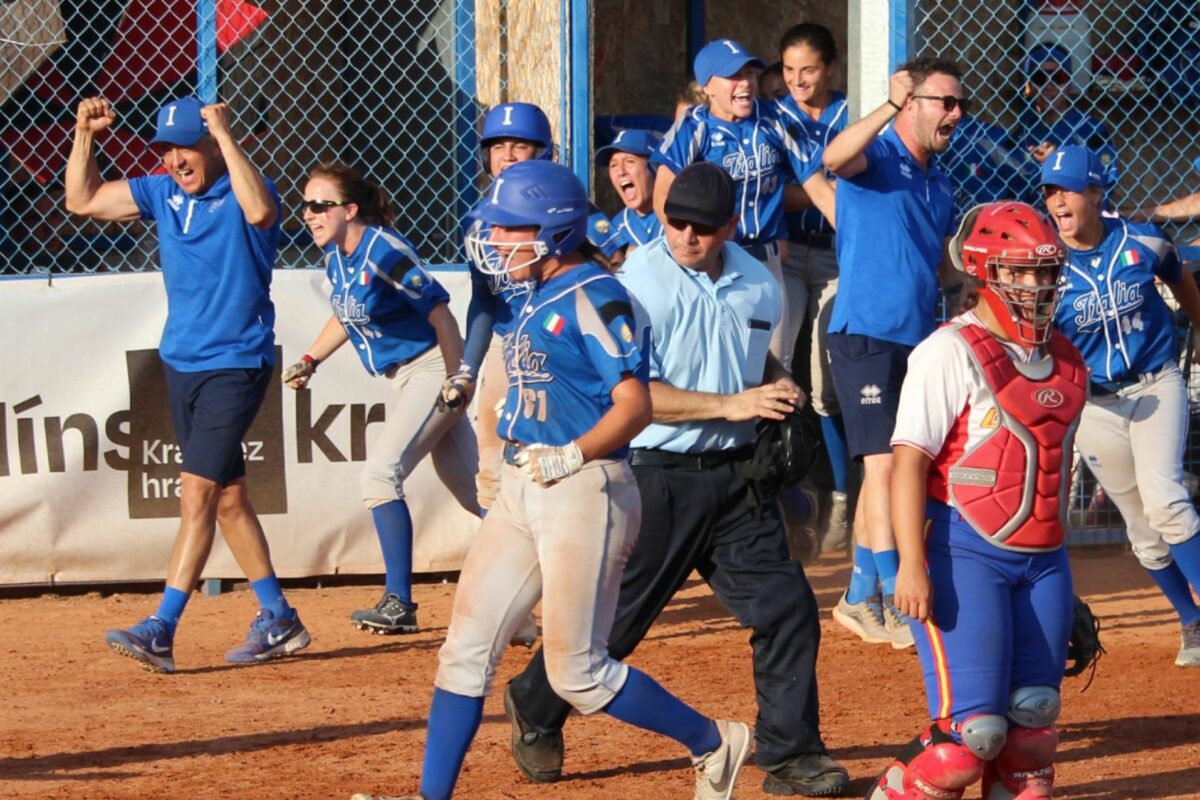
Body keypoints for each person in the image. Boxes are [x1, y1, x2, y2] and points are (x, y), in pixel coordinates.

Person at [351, 160, 753, 800]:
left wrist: (572, 453)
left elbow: (635, 404)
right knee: (463, 652)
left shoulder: (599, 294)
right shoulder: (534, 290)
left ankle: (714, 741)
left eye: (513, 228)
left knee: (578, 675)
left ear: (556, 230)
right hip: (523, 484)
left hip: (584, 489)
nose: (498, 241)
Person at [503, 163, 851, 797]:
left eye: (702, 226)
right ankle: (535, 702)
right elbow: (635, 399)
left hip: (736, 479)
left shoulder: (756, 281)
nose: (686, 235)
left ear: (730, 225)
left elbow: (751, 359)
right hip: (655, 475)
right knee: (616, 624)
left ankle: (791, 754)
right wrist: (729, 405)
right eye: (675, 221)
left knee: (787, 607)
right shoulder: (634, 285)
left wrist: (774, 384)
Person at [65, 95, 308, 672]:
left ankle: (162, 626)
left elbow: (260, 214)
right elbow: (82, 199)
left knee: (196, 492)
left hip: (235, 363)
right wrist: (83, 135)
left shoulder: (247, 188)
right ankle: (278, 617)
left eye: (186, 147)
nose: (176, 159)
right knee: (227, 499)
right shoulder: (161, 193)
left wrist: (224, 136)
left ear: (212, 146)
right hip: (183, 363)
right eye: (167, 149)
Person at [867, 201, 1086, 800]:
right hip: (964, 552)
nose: (1036, 287)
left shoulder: (1066, 359)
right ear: (985, 273)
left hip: (1044, 560)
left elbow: (1047, 472)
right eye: (1020, 273)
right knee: (971, 740)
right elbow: (907, 465)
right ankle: (892, 790)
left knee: (1033, 729)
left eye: (1045, 273)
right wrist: (911, 564)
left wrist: (1064, 584)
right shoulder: (949, 351)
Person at [281, 162, 479, 634]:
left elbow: (440, 313)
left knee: (379, 477)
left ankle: (399, 602)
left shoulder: (383, 252)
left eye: (320, 205)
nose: (309, 213)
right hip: (411, 376)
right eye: (305, 205)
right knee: (478, 495)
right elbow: (346, 316)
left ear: (350, 210)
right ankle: (538, 594)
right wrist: (311, 359)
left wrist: (459, 378)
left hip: (433, 369)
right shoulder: (336, 257)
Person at [822, 58, 966, 649]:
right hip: (865, 333)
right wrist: (886, 105)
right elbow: (832, 160)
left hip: (916, 338)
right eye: (944, 102)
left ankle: (859, 596)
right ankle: (897, 598)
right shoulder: (876, 157)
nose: (956, 114)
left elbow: (941, 264)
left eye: (961, 105)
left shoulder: (939, 181)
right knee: (883, 467)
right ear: (912, 103)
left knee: (889, 467)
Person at [1042, 145, 1200, 668]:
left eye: (1067, 188)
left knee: (1167, 504)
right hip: (1094, 406)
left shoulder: (1143, 241)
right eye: (1049, 190)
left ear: (1094, 191)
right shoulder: (1046, 264)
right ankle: (1190, 619)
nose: (1057, 200)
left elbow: (1182, 280)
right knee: (1141, 531)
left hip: (1155, 384)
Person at [652, 37, 836, 371]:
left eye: (749, 74)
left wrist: (862, 242)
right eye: (733, 76)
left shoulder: (775, 121)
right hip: (712, 265)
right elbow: (663, 197)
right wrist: (690, 248)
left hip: (764, 265)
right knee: (708, 365)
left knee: (770, 367)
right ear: (708, 86)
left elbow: (819, 189)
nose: (746, 84)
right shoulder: (694, 127)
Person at [773, 22, 854, 555]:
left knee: (828, 387)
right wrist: (819, 186)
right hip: (783, 254)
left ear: (829, 68)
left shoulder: (854, 111)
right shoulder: (772, 115)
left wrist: (799, 189)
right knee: (774, 368)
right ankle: (783, 501)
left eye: (808, 69)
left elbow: (855, 193)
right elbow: (768, 197)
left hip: (836, 258)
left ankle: (842, 503)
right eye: (787, 70)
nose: (798, 80)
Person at [1017, 44, 1118, 202]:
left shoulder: (1091, 130)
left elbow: (1104, 188)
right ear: (1029, 86)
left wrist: (1060, 161)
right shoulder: (1022, 133)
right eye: (1039, 78)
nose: (1049, 85)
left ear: (1069, 83)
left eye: (1058, 78)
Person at [595, 129, 662, 250]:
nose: (620, 172)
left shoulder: (679, 216)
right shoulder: (617, 228)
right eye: (613, 165)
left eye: (629, 161)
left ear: (654, 167)